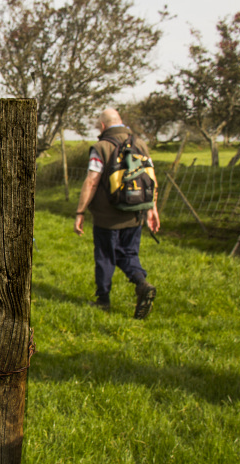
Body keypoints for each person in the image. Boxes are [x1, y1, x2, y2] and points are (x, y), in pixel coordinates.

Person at [73, 108, 160, 318]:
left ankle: (103, 300)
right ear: (120, 121)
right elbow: (150, 178)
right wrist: (152, 209)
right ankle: (141, 283)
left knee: (105, 256)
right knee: (129, 253)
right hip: (135, 212)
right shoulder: (140, 144)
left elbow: (92, 180)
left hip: (107, 216)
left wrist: (80, 212)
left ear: (102, 126)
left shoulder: (101, 147)